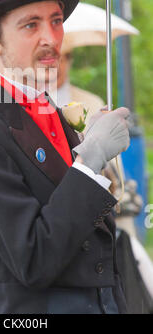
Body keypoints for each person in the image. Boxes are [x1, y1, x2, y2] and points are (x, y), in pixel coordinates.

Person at [0, 0, 131, 314]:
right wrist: (89, 162)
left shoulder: (53, 111)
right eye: (31, 25)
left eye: (56, 20)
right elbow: (33, 258)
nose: (51, 39)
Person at [56, 48, 153, 313]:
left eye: (66, 59)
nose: (59, 65)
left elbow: (115, 162)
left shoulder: (88, 100)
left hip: (105, 203)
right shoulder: (38, 106)